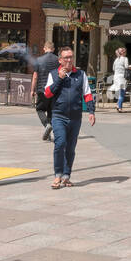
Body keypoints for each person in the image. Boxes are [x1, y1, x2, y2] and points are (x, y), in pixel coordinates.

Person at [43, 46, 96, 188]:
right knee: (60, 144)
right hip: (59, 116)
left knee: (71, 148)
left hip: (75, 117)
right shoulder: (53, 74)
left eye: (71, 57)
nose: (69, 60)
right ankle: (57, 175)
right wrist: (59, 79)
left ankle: (66, 176)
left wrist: (91, 111)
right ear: (60, 60)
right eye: (66, 57)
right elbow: (47, 94)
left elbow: (87, 94)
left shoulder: (81, 74)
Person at [30, 41, 60, 139]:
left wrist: (32, 90)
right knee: (51, 111)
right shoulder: (58, 60)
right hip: (54, 90)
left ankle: (47, 125)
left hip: (42, 89)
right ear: (53, 49)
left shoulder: (38, 60)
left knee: (40, 109)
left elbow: (35, 76)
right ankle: (49, 131)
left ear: (44, 48)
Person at [112, 46, 131, 112]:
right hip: (121, 78)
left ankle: (119, 105)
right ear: (124, 53)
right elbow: (126, 66)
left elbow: (113, 69)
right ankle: (119, 107)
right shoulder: (125, 58)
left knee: (120, 92)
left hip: (116, 77)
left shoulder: (116, 59)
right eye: (125, 52)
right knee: (122, 92)